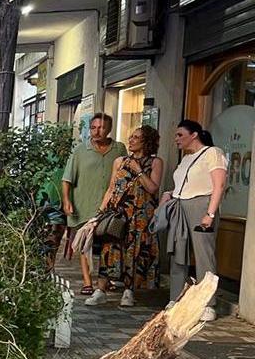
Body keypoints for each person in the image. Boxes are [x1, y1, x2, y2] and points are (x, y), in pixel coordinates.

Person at [86, 126, 164, 307]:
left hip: (141, 216)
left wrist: (138, 170)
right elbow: (112, 188)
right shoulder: (120, 161)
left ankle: (129, 291)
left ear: (147, 141)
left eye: (136, 137)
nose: (131, 140)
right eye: (131, 137)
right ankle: (101, 290)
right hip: (118, 214)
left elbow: (153, 188)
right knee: (109, 250)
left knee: (135, 252)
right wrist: (100, 212)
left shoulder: (155, 163)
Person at [162, 119, 227, 322]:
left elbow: (219, 184)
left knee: (203, 254)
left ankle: (208, 304)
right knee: (178, 252)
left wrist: (210, 213)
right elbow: (185, 184)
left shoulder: (212, 153)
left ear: (194, 135)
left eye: (180, 135)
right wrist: (169, 193)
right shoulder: (186, 159)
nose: (177, 139)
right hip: (180, 206)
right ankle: (176, 297)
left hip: (202, 205)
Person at [62, 113, 127, 295]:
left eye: (101, 128)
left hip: (110, 207)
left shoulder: (119, 149)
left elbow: (125, 175)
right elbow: (67, 178)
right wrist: (67, 200)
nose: (97, 132)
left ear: (109, 129)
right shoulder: (81, 150)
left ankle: (104, 281)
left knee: (109, 243)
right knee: (85, 243)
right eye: (93, 128)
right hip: (84, 203)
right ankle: (87, 282)